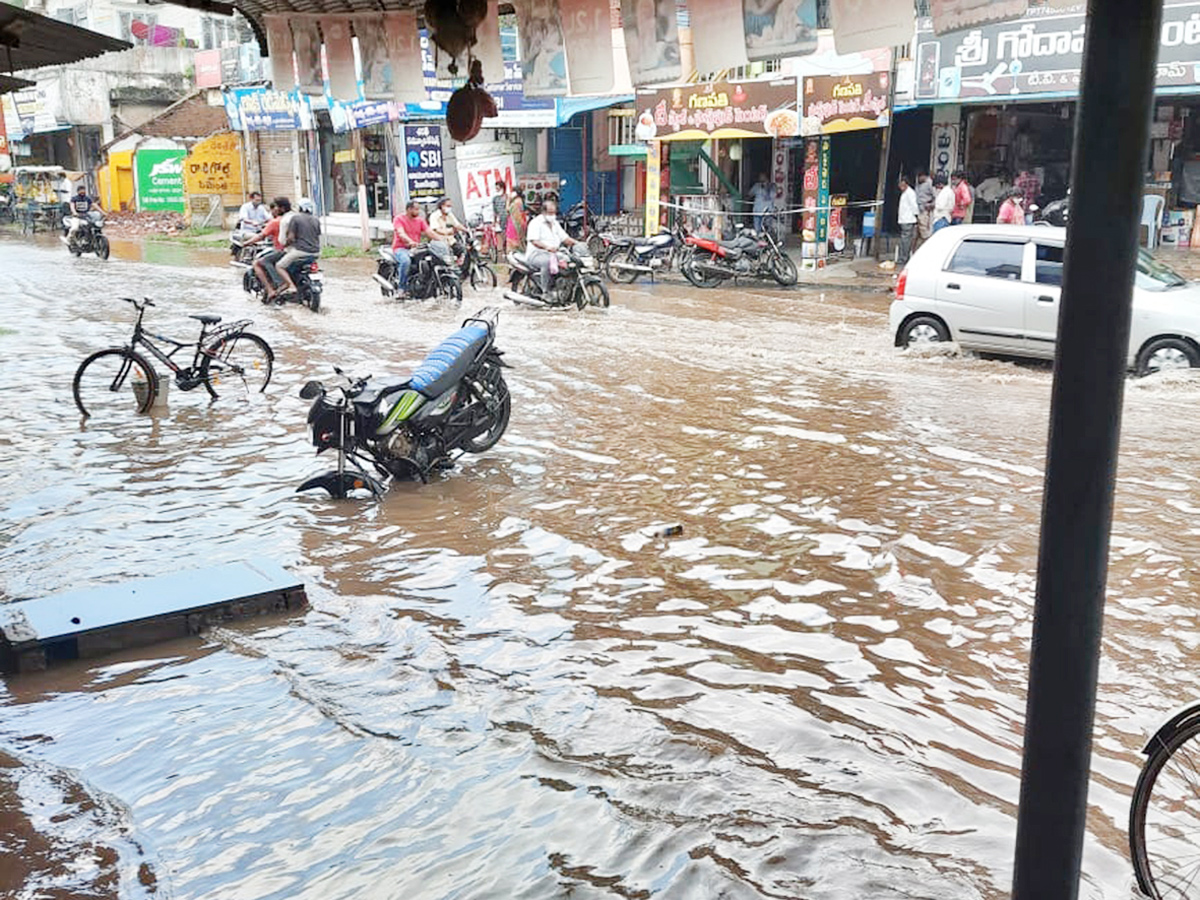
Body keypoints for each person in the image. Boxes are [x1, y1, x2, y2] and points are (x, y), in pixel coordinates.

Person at [525, 196, 576, 295]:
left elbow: (565, 238)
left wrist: (579, 244)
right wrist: (547, 247)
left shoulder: (555, 223)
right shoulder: (535, 223)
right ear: (543, 212)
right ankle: (546, 291)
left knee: (568, 259)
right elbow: (534, 241)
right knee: (547, 262)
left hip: (554, 253)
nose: (552, 215)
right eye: (550, 213)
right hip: (536, 255)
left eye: (554, 213)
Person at [275, 199, 321, 299]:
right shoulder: (316, 219)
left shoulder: (296, 218)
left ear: (300, 208)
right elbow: (317, 235)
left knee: (279, 266)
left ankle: (290, 285)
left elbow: (291, 237)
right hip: (316, 252)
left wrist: (285, 245)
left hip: (300, 251)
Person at [387, 199, 433, 298]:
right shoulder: (399, 219)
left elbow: (429, 232)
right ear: (408, 209)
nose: (418, 211)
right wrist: (410, 241)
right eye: (415, 209)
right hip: (401, 248)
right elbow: (401, 233)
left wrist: (442, 239)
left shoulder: (420, 220)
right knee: (406, 261)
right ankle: (401, 288)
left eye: (418, 209)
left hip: (416, 248)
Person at [240, 201, 286, 292]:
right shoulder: (292, 219)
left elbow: (261, 236)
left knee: (259, 262)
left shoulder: (275, 222)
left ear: (276, 209)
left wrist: (246, 243)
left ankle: (273, 288)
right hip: (297, 250)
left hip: (282, 249)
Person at [258, 197, 293, 298]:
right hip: (305, 250)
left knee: (263, 261)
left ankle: (275, 286)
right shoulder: (296, 217)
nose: (275, 210)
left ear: (281, 208)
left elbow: (281, 240)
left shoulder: (279, 221)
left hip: (285, 250)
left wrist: (246, 243)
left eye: (276, 207)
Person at [897, 175, 918, 266]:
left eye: (902, 185)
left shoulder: (910, 193)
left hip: (908, 219)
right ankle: (902, 257)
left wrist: (916, 216)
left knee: (906, 240)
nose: (901, 187)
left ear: (906, 184)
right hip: (904, 219)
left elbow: (914, 206)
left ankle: (904, 258)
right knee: (903, 239)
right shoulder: (905, 193)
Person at [915, 171, 936, 248]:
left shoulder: (929, 183)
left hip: (925, 210)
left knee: (925, 232)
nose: (919, 179)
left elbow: (935, 197)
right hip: (918, 210)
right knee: (917, 233)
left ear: (924, 176)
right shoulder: (918, 184)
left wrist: (930, 205)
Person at [492, 180, 509, 254]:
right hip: (501, 219)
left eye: (498, 188)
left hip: (508, 218)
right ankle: (504, 249)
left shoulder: (507, 197)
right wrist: (494, 221)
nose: (496, 190)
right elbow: (495, 211)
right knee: (503, 234)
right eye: (496, 188)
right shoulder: (495, 198)